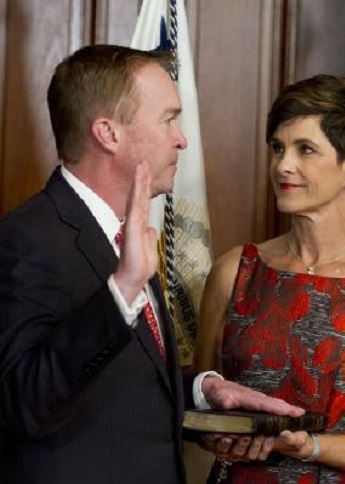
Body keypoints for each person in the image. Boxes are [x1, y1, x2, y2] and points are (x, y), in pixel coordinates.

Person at [0, 44, 302, 484]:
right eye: (167, 119)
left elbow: (121, 390)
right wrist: (121, 290)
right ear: (108, 133)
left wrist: (202, 391)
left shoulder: (127, 232)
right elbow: (23, 402)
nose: (181, 138)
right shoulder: (26, 239)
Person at [195, 74, 345, 482]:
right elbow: (198, 405)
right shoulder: (235, 270)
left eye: (306, 150)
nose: (283, 165)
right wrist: (216, 437)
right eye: (277, 148)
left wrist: (309, 447)